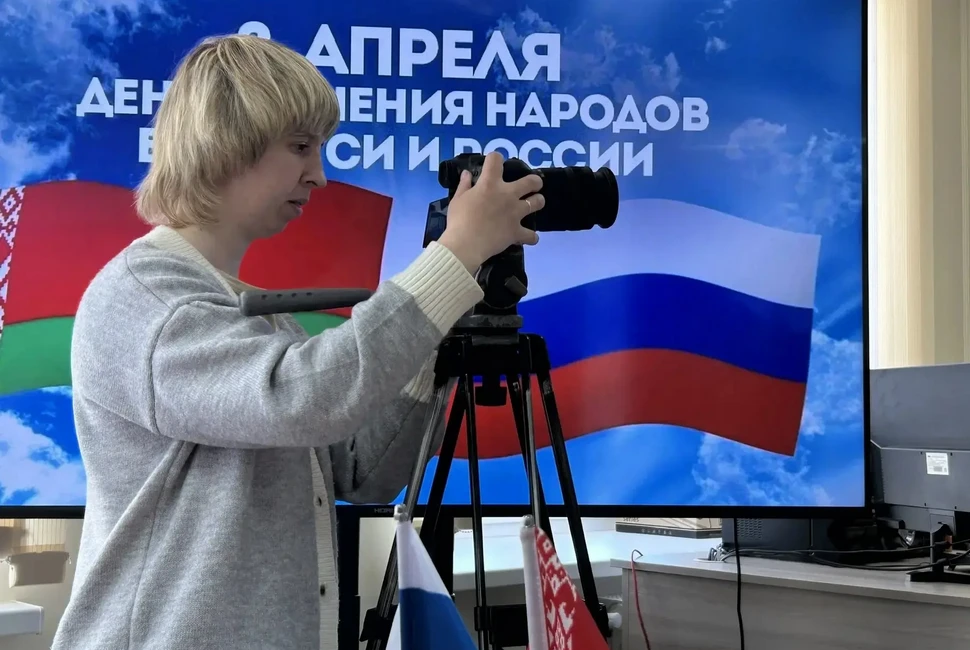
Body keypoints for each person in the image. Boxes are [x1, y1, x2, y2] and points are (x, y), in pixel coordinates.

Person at [52, 34, 544, 650]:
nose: (319, 174)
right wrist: (453, 256)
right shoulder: (147, 299)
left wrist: (434, 328)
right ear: (226, 142)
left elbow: (362, 474)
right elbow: (302, 400)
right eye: (301, 147)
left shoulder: (250, 316)